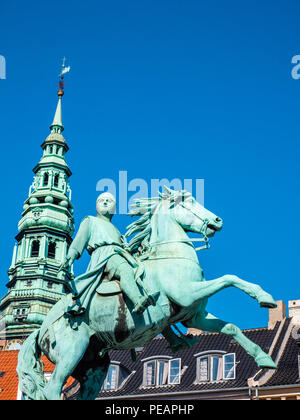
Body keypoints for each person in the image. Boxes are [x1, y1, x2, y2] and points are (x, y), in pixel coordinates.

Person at [61, 192, 154, 316]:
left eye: (108, 201)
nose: (105, 202)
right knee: (125, 270)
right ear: (96, 206)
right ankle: (138, 301)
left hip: (119, 254)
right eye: (101, 200)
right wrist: (70, 257)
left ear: (114, 208)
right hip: (105, 255)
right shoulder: (90, 220)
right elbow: (79, 241)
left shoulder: (116, 229)